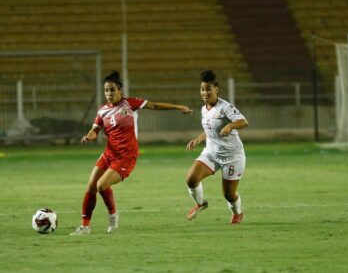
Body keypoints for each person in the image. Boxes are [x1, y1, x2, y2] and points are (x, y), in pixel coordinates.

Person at [70, 71, 192, 235]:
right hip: (109, 153)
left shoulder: (130, 104)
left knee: (101, 185)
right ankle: (85, 227)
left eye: (112, 90)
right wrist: (89, 136)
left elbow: (154, 105)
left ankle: (113, 215)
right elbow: (94, 130)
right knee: (91, 186)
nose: (109, 93)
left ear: (120, 90)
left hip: (126, 156)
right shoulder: (102, 111)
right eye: (106, 90)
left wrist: (178, 107)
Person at [185, 70, 248, 224]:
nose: (205, 92)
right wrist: (199, 139)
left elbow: (243, 121)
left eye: (208, 89)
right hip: (211, 153)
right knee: (191, 179)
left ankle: (237, 213)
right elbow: (209, 129)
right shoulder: (203, 109)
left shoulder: (225, 107)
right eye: (202, 89)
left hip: (232, 157)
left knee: (228, 194)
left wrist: (230, 126)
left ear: (216, 90)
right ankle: (200, 203)